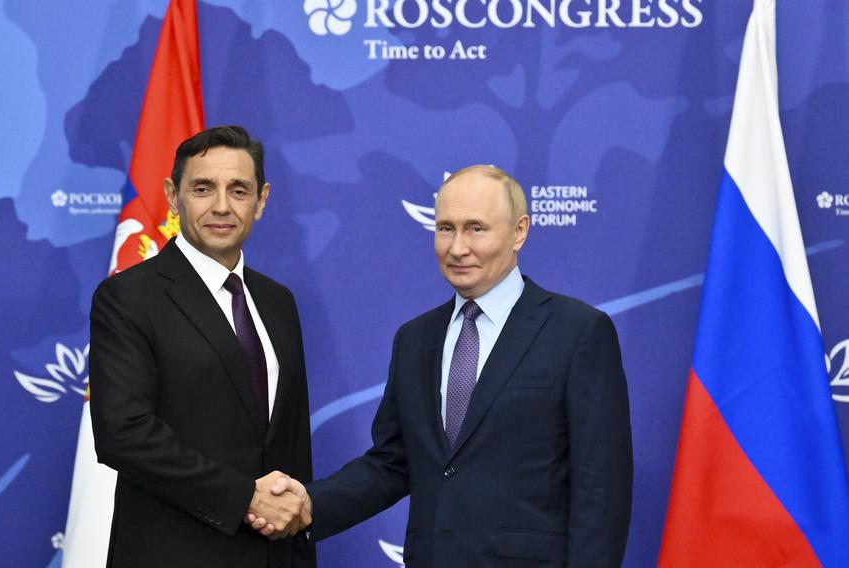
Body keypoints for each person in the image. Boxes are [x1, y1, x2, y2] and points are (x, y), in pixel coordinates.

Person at [255, 165, 633, 567]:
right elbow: (393, 461)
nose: (457, 247)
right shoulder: (415, 338)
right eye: (445, 228)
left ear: (519, 231)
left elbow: (601, 490)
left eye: (476, 229)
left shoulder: (578, 332)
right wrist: (310, 503)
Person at [90, 125, 314, 567]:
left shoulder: (277, 301)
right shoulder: (128, 297)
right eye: (203, 188)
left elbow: (289, 444)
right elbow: (124, 434)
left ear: (261, 200)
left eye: (239, 190)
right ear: (173, 196)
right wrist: (246, 498)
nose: (221, 207)